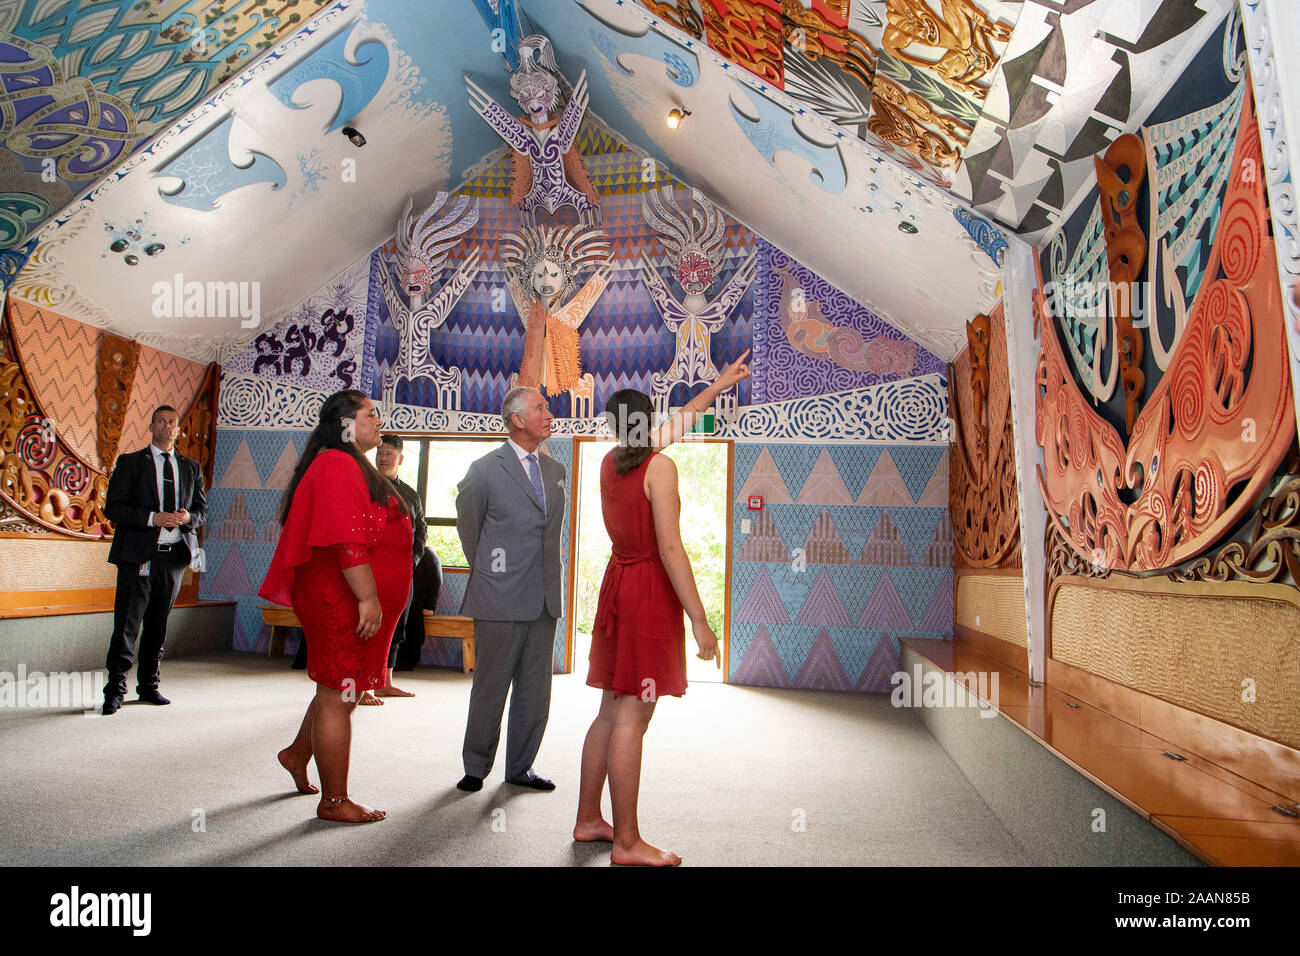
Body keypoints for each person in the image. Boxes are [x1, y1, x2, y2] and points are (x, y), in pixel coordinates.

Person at [573, 350, 751, 865]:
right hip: (647, 590)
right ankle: (626, 842)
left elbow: (681, 420)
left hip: (618, 585)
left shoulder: (613, 462)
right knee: (632, 717)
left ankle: (589, 819)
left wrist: (719, 385)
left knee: (608, 712)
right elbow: (671, 549)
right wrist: (701, 622)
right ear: (648, 422)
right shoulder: (659, 467)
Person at [260, 390, 412, 823]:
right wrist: (368, 597)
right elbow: (346, 539)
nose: (378, 423)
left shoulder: (346, 463)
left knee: (336, 688)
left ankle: (296, 754)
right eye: (370, 415)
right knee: (338, 695)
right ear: (345, 423)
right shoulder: (336, 464)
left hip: (346, 597)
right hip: (339, 599)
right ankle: (334, 801)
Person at [454, 386, 565, 793]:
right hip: (499, 598)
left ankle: (520, 767)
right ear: (517, 420)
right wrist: (493, 574)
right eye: (540, 408)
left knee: (535, 692)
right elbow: (470, 531)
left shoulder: (555, 472)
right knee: (491, 686)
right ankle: (475, 766)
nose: (549, 413)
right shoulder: (483, 469)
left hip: (544, 600)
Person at [102, 405, 208, 715]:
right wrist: (153, 518)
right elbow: (114, 508)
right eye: (160, 421)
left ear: (179, 429)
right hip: (138, 557)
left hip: (173, 558)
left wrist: (188, 517)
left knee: (158, 625)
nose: (166, 426)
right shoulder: (131, 463)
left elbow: (202, 512)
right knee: (127, 625)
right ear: (151, 427)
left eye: (172, 422)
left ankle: (149, 685)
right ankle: (115, 689)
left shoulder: (191, 468)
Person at [357, 433, 426, 704]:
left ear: (400, 459)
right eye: (380, 453)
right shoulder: (365, 486)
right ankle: (361, 686)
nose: (383, 458)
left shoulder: (410, 494)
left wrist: (413, 559)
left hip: (402, 570)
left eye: (389, 454)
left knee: (396, 626)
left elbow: (421, 528)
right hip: (369, 570)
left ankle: (385, 682)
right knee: (366, 625)